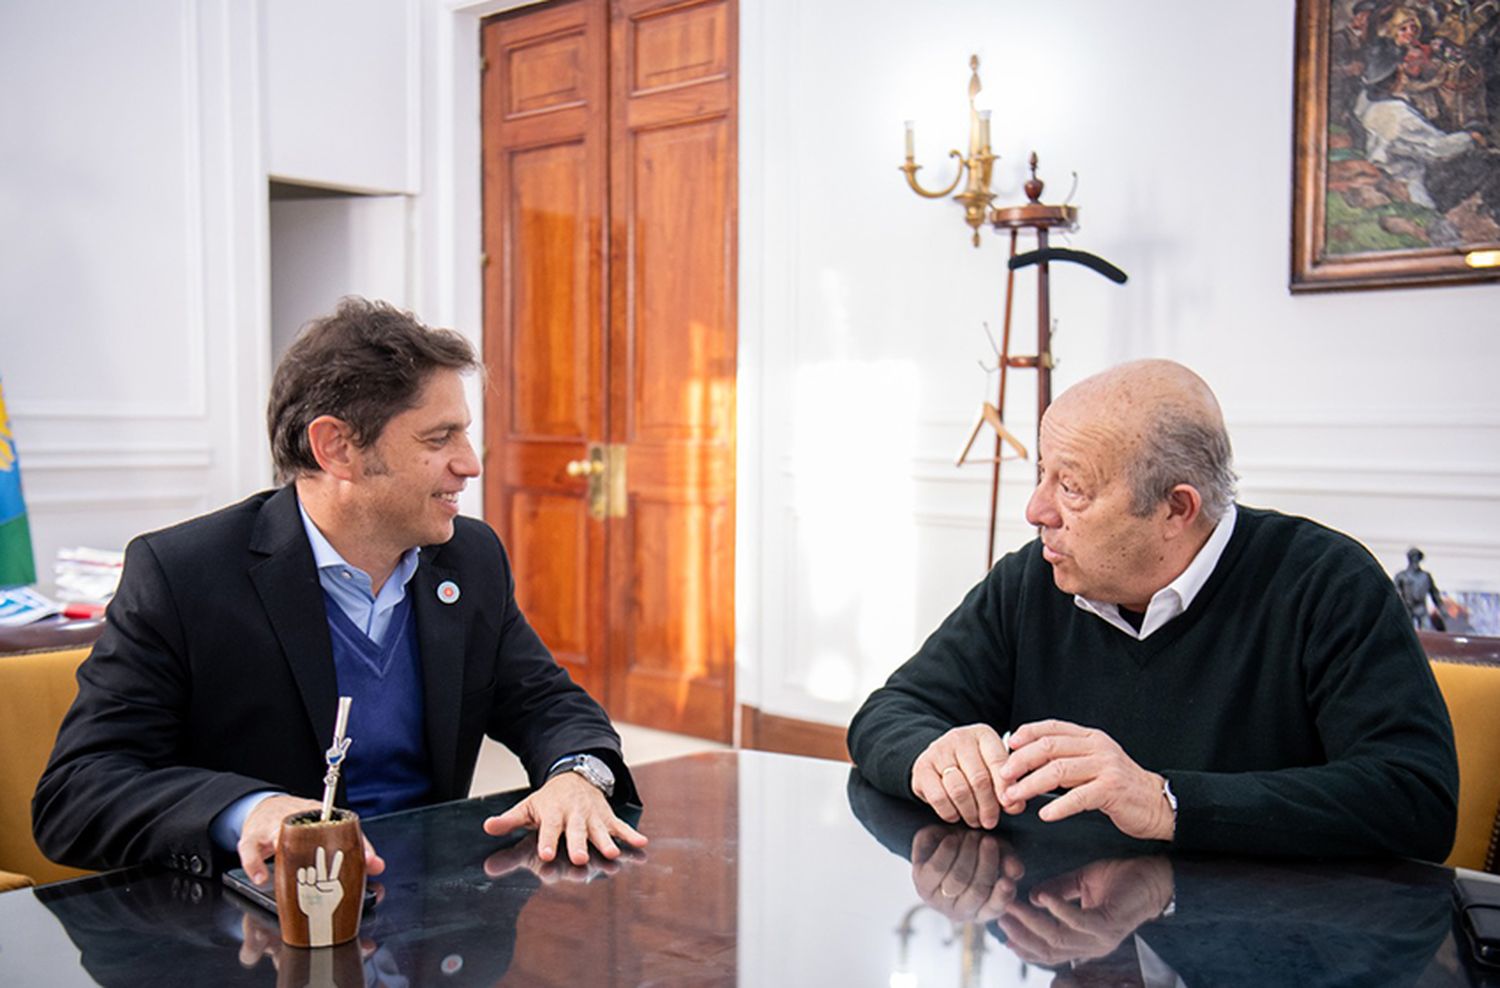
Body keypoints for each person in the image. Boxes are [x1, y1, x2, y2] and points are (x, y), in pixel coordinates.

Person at [33, 297, 647, 883]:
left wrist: (578, 774)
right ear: (337, 447)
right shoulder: (182, 574)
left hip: (436, 928)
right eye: (439, 439)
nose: (470, 463)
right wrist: (251, 810)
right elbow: (78, 792)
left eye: (464, 434)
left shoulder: (470, 558)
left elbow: (546, 702)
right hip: (258, 937)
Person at [847, 359, 1458, 860]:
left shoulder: (1326, 583)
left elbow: (1414, 801)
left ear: (1176, 509)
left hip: (1261, 949)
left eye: (1073, 488)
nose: (1036, 510)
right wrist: (935, 754)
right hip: (1066, 939)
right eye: (1043, 474)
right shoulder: (1034, 578)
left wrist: (1165, 801)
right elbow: (891, 713)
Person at [1394, 546, 1447, 630]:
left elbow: (1434, 594)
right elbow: (1394, 594)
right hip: (1407, 609)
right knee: (1406, 631)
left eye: (1417, 558)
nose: (1415, 561)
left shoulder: (1425, 576)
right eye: (1413, 558)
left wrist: (1441, 608)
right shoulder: (1401, 576)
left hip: (1421, 608)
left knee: (1426, 630)